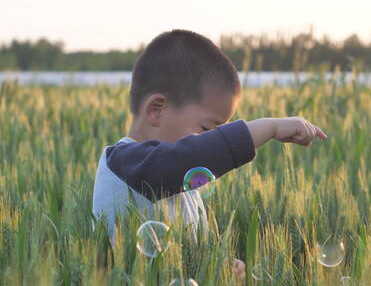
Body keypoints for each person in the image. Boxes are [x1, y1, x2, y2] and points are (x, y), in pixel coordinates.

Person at [91, 30, 327, 278]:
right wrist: (270, 126)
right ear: (157, 110)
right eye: (206, 129)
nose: (210, 140)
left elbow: (188, 255)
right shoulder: (123, 163)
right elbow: (190, 156)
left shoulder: (181, 182)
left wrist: (219, 266)